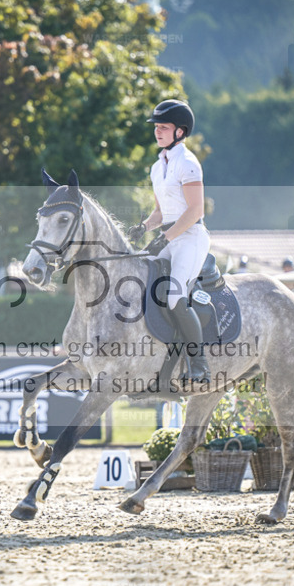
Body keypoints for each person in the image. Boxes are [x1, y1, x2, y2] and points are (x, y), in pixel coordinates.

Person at [128, 99, 210, 385]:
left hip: (190, 238)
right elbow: (161, 212)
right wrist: (142, 228)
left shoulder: (187, 164)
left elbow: (195, 210)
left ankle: (199, 364)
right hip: (169, 237)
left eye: (164, 127)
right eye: (156, 127)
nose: (157, 132)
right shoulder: (156, 167)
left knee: (174, 296)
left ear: (180, 131)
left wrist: (164, 237)